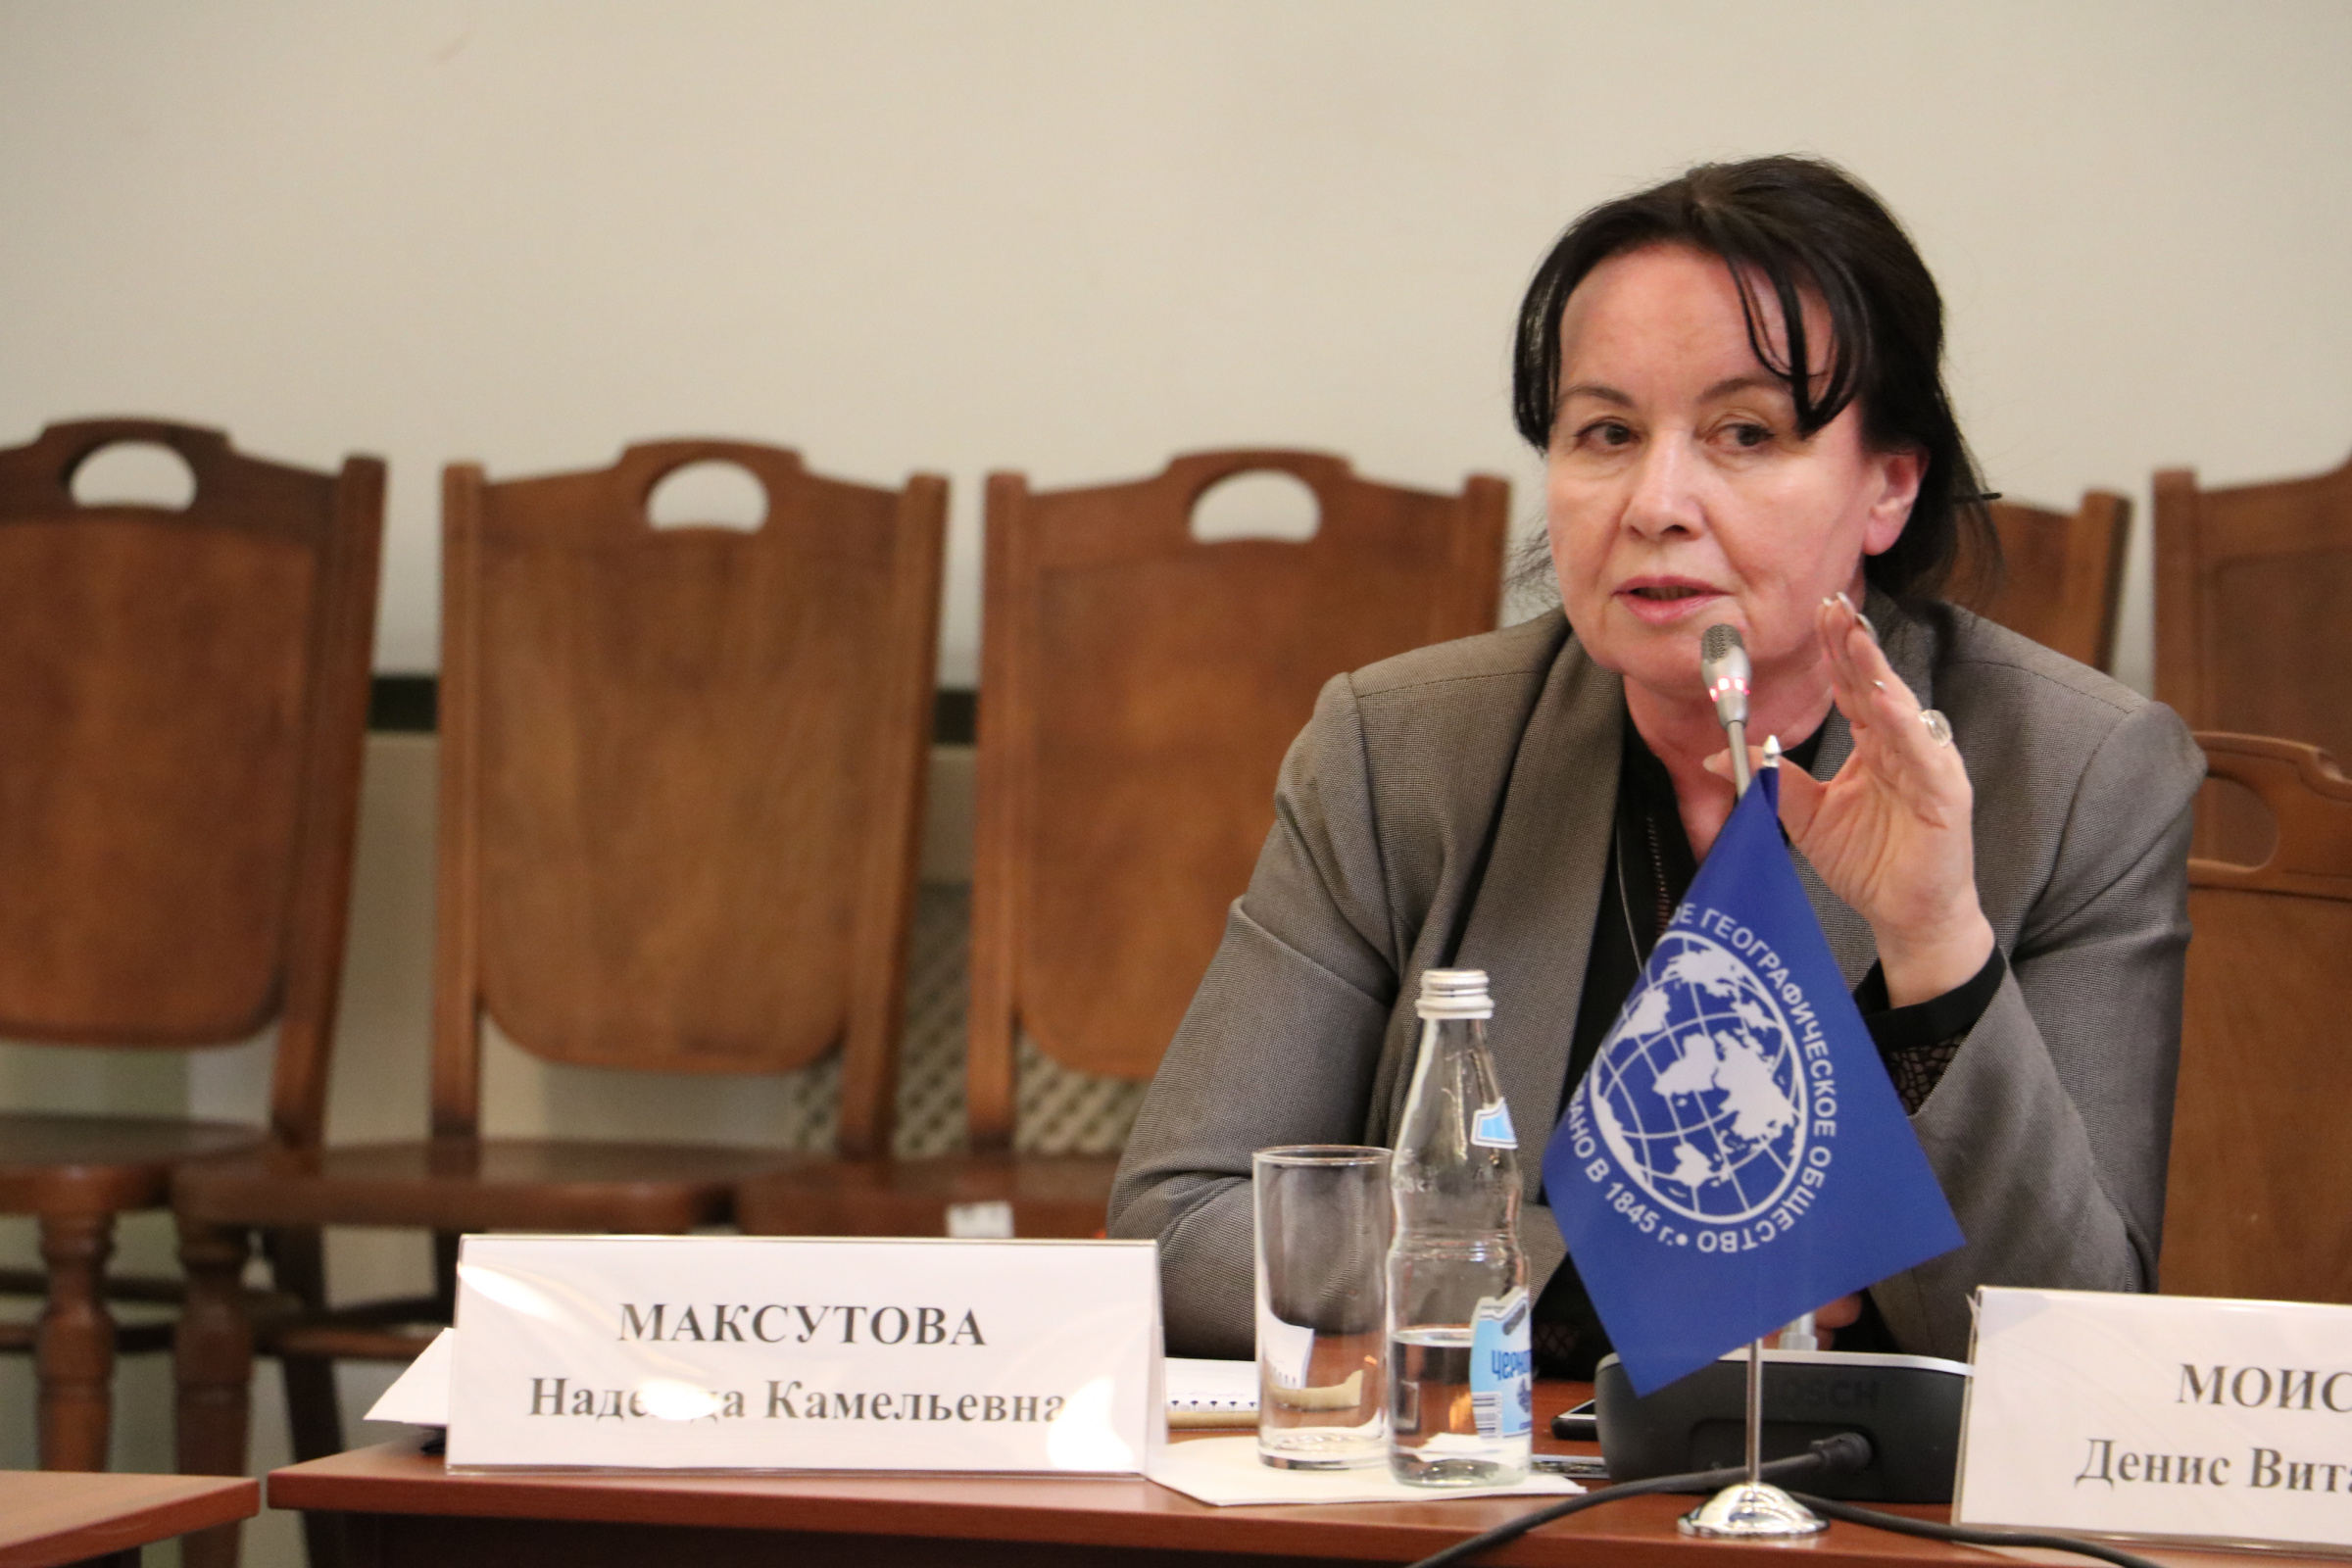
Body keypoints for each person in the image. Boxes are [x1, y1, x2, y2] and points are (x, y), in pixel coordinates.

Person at [1105, 156, 2204, 1372]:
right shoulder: (1401, 752)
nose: (1655, 501)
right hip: (1489, 1471)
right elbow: (1182, 1230)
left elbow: (2072, 1345)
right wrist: (1615, 1282)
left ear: (1890, 484)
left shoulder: (2079, 775)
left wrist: (1935, 944)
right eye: (1607, 433)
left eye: (1745, 433)